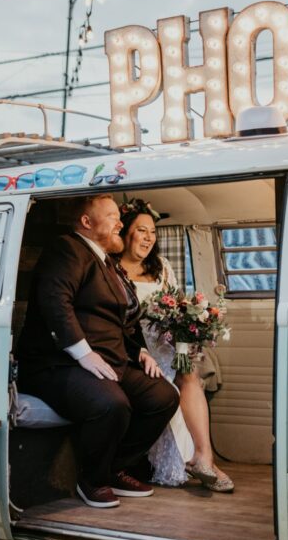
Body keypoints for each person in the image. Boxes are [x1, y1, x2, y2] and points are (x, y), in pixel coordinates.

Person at [16, 194, 180, 509]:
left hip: (109, 360)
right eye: (111, 217)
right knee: (111, 403)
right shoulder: (67, 249)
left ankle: (112, 467)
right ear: (87, 223)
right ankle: (91, 478)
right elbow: (56, 303)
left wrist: (140, 353)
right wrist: (82, 353)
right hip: (57, 364)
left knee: (163, 396)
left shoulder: (107, 262)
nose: (121, 223)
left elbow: (122, 320)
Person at [114, 199, 234, 493]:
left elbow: (178, 305)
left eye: (152, 232)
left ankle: (205, 456)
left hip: (166, 342)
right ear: (125, 232)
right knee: (169, 379)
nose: (148, 238)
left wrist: (188, 331)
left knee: (189, 370)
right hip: (134, 347)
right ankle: (194, 460)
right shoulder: (112, 270)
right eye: (141, 230)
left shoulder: (162, 267)